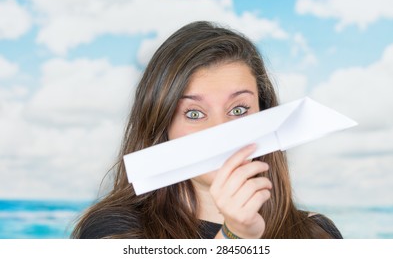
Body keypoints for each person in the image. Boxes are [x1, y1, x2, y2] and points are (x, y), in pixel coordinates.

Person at [71, 21, 342, 239]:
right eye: (194, 113)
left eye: (239, 110)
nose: (220, 131)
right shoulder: (113, 231)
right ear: (162, 125)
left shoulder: (316, 234)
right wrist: (235, 236)